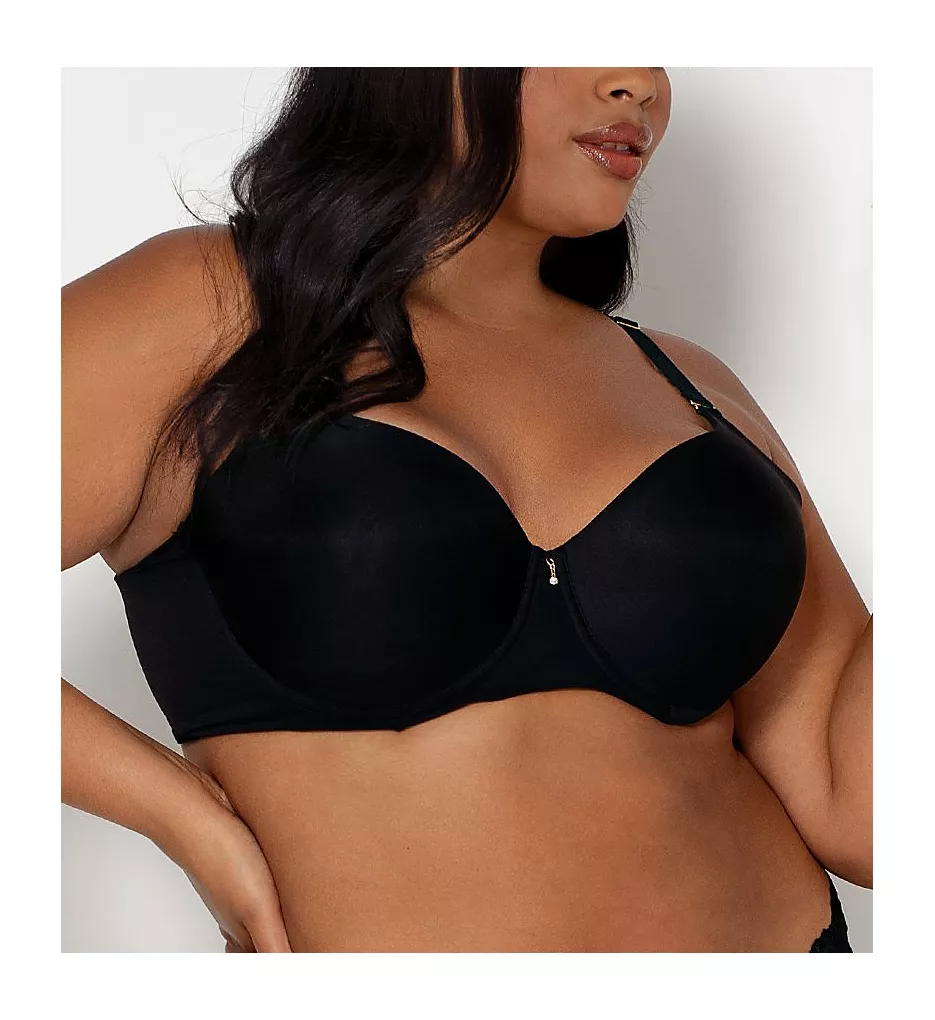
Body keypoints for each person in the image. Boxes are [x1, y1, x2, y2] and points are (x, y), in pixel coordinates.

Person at [61, 67, 871, 953]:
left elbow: (856, 808)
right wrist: (179, 813)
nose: (637, 82)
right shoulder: (213, 305)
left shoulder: (689, 384)